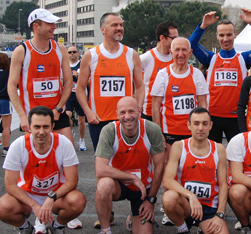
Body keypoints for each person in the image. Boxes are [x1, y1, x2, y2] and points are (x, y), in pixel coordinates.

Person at [0, 106, 86, 234]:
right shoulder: (18, 145)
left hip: (55, 196)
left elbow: (72, 181)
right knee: (2, 207)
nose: (41, 132)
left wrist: (51, 197)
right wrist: (34, 205)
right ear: (29, 127)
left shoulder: (63, 143)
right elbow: (10, 185)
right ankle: (24, 228)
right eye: (36, 127)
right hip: (28, 195)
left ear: (53, 126)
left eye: (45, 126)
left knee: (78, 200)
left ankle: (57, 227)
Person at [93, 97, 165, 234]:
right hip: (119, 185)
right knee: (103, 185)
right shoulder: (109, 130)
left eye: (131, 111)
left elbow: (160, 166)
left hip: (143, 189)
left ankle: (134, 218)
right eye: (123, 112)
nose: (127, 116)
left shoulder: (152, 129)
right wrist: (132, 178)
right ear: (117, 114)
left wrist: (151, 200)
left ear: (139, 111)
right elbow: (100, 169)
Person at [189, 9, 251, 143]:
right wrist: (202, 26)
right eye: (221, 35)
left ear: (235, 35)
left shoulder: (244, 59)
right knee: (213, 158)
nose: (225, 39)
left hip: (236, 118)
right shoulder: (211, 58)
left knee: (237, 157)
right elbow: (191, 45)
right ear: (217, 36)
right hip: (212, 117)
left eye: (229, 34)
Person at [161, 107, 229, 234]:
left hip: (208, 208)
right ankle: (183, 231)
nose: (200, 128)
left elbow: (224, 185)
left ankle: (203, 230)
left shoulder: (219, 149)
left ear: (211, 125)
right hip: (187, 205)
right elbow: (167, 180)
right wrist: (191, 196)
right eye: (196, 123)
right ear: (189, 125)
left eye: (205, 124)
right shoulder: (179, 146)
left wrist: (220, 214)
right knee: (169, 198)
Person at [76, 13, 144, 150]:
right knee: (102, 163)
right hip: (99, 120)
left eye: (121, 25)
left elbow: (140, 86)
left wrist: (138, 108)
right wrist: (88, 112)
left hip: (125, 119)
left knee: (126, 160)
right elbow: (80, 88)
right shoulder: (91, 55)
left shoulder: (131, 54)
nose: (119, 28)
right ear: (103, 29)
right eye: (114, 25)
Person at [7, 9, 74, 143]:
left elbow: (68, 82)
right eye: (50, 23)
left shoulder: (59, 49)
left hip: (57, 113)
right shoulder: (22, 51)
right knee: (36, 158)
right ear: (36, 26)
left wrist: (58, 108)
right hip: (33, 115)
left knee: (68, 155)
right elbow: (11, 86)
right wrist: (22, 116)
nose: (54, 27)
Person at [151, 37, 208, 160]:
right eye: (177, 50)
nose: (180, 54)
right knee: (169, 167)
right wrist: (158, 132)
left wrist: (202, 128)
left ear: (190, 52)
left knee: (190, 166)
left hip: (191, 132)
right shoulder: (163, 74)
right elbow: (155, 106)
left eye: (184, 50)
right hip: (169, 132)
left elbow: (203, 104)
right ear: (171, 53)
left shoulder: (197, 74)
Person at [139, 20, 175, 121]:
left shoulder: (176, 58)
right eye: (174, 38)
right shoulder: (146, 58)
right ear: (162, 38)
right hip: (149, 112)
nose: (177, 41)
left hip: (169, 112)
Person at [65, 45, 87, 151]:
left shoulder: (82, 64)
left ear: (78, 53)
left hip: (80, 94)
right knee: (67, 116)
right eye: (69, 52)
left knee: (81, 120)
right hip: (69, 94)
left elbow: (88, 80)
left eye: (74, 52)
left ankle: (82, 140)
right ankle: (71, 131)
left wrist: (77, 76)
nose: (72, 54)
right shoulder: (64, 65)